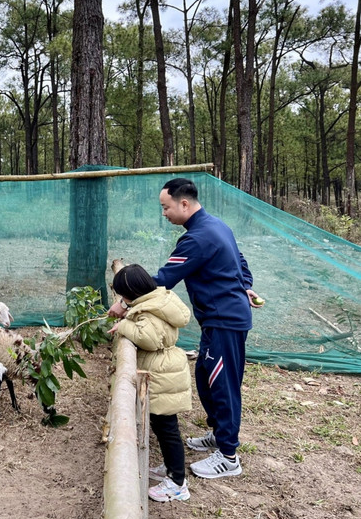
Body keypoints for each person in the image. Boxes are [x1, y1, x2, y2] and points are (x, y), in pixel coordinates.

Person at [152, 177, 262, 480]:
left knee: (223, 386)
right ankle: (219, 434)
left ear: (183, 204)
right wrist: (245, 286)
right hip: (221, 318)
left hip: (223, 321)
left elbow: (164, 278)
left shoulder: (197, 238)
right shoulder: (216, 226)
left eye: (166, 207)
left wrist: (126, 295)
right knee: (206, 376)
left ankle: (228, 456)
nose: (164, 214)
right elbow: (240, 262)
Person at [108, 264, 193, 502]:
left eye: (124, 295)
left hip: (162, 374)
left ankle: (178, 483)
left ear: (132, 293)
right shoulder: (157, 299)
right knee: (161, 426)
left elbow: (149, 338)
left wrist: (124, 325)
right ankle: (170, 469)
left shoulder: (148, 311)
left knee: (168, 431)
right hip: (164, 370)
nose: (123, 300)